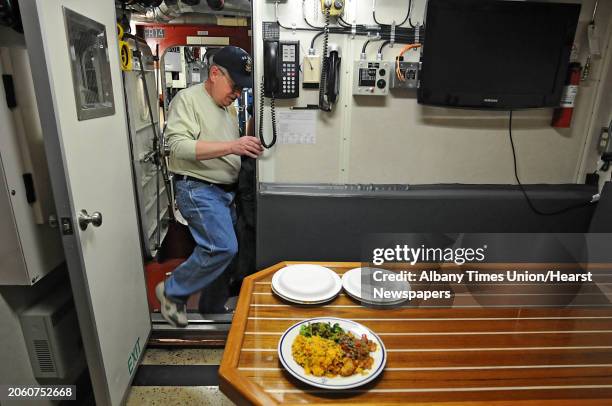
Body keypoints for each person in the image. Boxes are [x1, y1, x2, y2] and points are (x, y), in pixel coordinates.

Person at [156, 46, 263, 327]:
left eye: (242, 88)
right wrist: (233, 145)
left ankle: (212, 310)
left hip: (224, 192)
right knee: (221, 247)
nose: (238, 93)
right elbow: (177, 148)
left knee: (230, 256)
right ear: (215, 73)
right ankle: (171, 292)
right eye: (235, 85)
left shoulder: (227, 107)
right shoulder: (188, 100)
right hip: (199, 188)